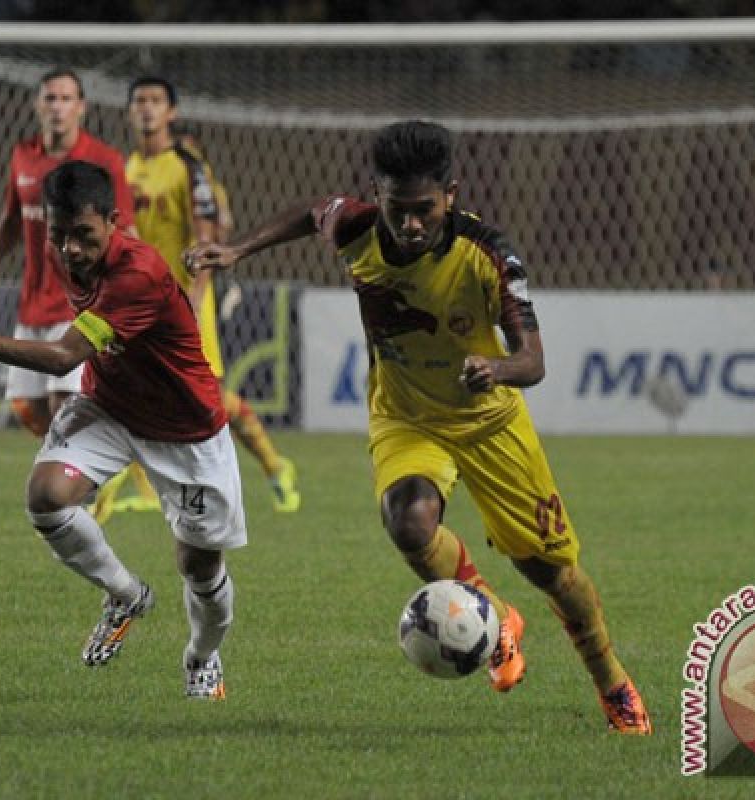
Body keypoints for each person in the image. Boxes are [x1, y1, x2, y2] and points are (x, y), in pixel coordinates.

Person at [185, 120, 652, 733]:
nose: (409, 225)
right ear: (376, 194)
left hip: (488, 422)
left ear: (450, 195)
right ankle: (496, 620)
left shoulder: (489, 254)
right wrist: (237, 250)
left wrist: (499, 367)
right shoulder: (357, 227)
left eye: (423, 211)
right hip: (406, 416)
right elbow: (308, 212)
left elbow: (533, 360)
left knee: (550, 572)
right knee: (407, 520)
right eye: (396, 209)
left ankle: (612, 681)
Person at [0, 161, 243, 700]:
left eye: (84, 236)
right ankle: (125, 594)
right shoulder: (63, 253)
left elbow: (65, 353)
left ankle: (202, 656)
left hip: (185, 428)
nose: (70, 251)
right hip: (110, 405)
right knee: (46, 496)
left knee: (199, 567)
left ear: (113, 221)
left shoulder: (139, 272)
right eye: (58, 236)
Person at [91, 76, 300, 519]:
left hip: (184, 299)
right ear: (129, 112)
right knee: (135, 388)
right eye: (139, 101)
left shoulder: (188, 166)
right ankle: (143, 491)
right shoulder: (125, 169)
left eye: (156, 101)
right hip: (138, 302)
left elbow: (207, 239)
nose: (146, 109)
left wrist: (192, 299)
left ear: (172, 112)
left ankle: (276, 465)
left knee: (208, 398)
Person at [0, 67, 137, 439]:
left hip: (81, 303)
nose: (58, 106)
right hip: (33, 302)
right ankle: (85, 476)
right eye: (50, 98)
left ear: (81, 107)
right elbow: (9, 221)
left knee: (65, 407)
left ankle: (77, 495)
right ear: (37, 104)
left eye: (66, 98)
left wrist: (130, 290)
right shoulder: (23, 155)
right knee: (29, 410)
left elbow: (126, 229)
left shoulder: (104, 160)